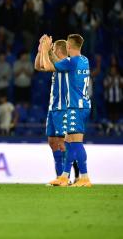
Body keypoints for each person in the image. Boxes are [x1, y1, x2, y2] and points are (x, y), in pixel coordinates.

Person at [42, 34, 92, 187]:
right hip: (82, 105)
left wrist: (45, 50)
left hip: (76, 107)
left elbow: (51, 67)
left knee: (76, 143)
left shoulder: (72, 61)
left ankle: (84, 177)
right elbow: (61, 64)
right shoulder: (84, 60)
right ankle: (64, 176)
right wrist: (51, 53)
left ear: (69, 47)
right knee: (69, 142)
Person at [35, 38, 72, 181]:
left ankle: (65, 177)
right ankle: (58, 177)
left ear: (59, 50)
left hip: (63, 108)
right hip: (53, 108)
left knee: (62, 143)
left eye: (53, 48)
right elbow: (38, 66)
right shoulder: (58, 64)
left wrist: (46, 50)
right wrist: (40, 50)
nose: (52, 50)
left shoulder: (68, 63)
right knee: (52, 142)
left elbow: (48, 65)